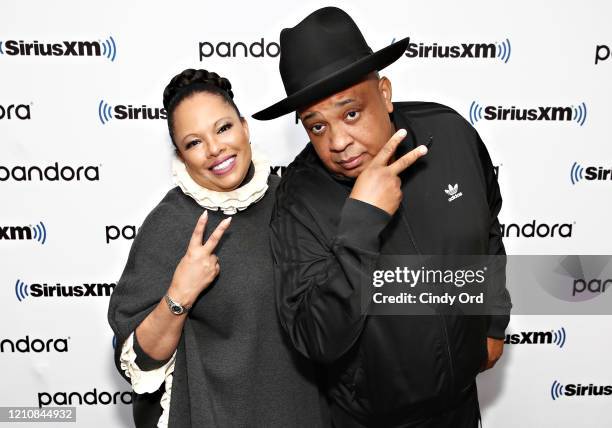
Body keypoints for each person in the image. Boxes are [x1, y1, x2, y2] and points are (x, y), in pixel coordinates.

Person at [252, 7, 512, 427]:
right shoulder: (298, 201)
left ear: (385, 93)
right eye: (316, 127)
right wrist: (362, 222)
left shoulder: (449, 133)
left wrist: (495, 321)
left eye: (350, 113)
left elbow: (488, 232)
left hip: (462, 406)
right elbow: (315, 337)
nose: (337, 141)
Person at [108, 68, 327, 427]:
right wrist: (179, 295)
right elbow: (139, 362)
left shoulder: (291, 201)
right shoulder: (171, 223)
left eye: (223, 128)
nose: (214, 149)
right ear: (180, 154)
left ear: (244, 126)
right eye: (194, 142)